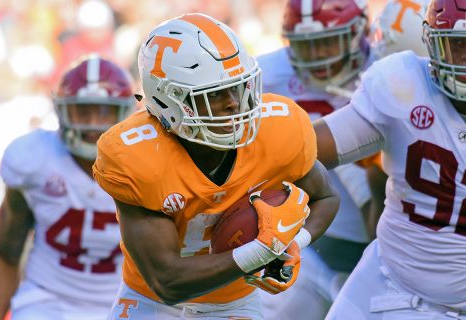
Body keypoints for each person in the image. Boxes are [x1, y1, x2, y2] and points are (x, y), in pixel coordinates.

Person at [92, 13, 340, 320]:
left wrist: (292, 243)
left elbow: (326, 197)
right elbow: (167, 282)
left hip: (232, 301)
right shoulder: (136, 156)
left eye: (237, 87)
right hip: (153, 300)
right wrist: (258, 252)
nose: (234, 103)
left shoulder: (278, 131)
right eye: (215, 94)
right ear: (170, 100)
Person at [313, 0, 466, 318]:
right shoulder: (405, 84)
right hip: (385, 280)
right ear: (432, 44)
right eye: (457, 44)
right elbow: (309, 147)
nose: (465, 59)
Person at [0, 55, 136, 320]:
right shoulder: (34, 160)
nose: (92, 125)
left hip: (125, 302)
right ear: (62, 110)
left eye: (104, 111)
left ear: (125, 112)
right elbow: (7, 255)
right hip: (47, 300)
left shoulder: (148, 165)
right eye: (83, 110)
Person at [256, 0, 377, 318]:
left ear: (357, 33)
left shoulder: (387, 69)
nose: (318, 57)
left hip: (384, 235)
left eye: (326, 42)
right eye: (306, 46)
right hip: (314, 240)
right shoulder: (263, 75)